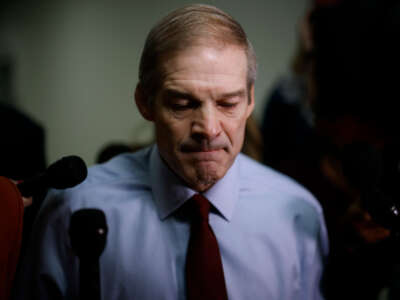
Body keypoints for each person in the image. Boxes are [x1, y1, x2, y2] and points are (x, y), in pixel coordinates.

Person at [14, 4, 328, 299]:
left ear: (250, 101)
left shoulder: (298, 214)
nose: (209, 127)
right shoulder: (72, 208)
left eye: (227, 103)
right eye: (182, 103)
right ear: (145, 102)